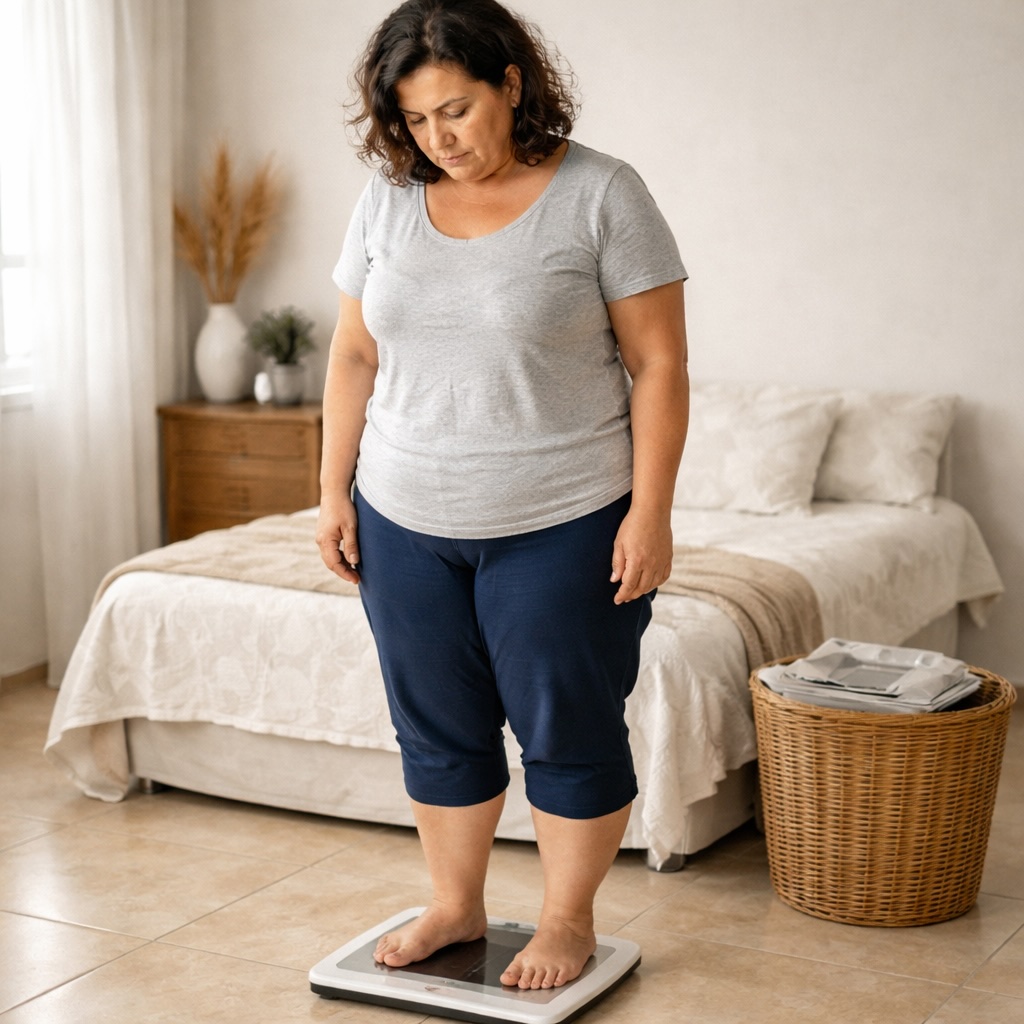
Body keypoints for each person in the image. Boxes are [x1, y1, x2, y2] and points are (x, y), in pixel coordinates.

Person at [316, 0, 688, 992]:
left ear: (511, 84)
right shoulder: (387, 198)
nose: (438, 139)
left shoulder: (602, 195)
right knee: (435, 724)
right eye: (416, 121)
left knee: (567, 725)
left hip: (562, 521)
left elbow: (658, 366)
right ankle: (455, 903)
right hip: (401, 517)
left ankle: (567, 920)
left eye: (456, 111)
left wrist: (649, 514)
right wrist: (332, 491)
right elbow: (353, 353)